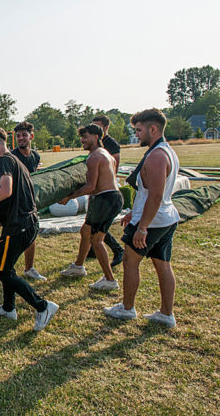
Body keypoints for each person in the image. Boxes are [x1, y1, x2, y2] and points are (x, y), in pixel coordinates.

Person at [0, 127, 58, 331]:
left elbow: (6, 190)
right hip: (27, 223)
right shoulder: (18, 162)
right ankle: (8, 308)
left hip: (18, 225)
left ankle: (42, 306)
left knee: (3, 272)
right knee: (7, 268)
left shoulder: (5, 160)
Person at [104, 109, 180, 328]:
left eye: (139, 130)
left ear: (152, 129)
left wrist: (143, 226)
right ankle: (166, 313)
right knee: (163, 264)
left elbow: (156, 196)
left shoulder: (156, 156)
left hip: (153, 222)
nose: (137, 134)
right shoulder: (167, 151)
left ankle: (127, 309)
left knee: (130, 262)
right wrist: (133, 212)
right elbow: (151, 194)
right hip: (166, 218)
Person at [59, 124, 123, 291]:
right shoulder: (108, 155)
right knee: (85, 232)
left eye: (85, 137)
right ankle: (79, 266)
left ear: (96, 137)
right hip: (108, 198)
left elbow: (90, 187)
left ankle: (109, 279)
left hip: (105, 199)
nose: (82, 141)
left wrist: (69, 197)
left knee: (96, 240)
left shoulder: (94, 157)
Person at [0, 122, 45, 281]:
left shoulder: (35, 156)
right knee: (7, 238)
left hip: (27, 202)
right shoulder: (11, 157)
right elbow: (5, 188)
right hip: (14, 206)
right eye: (18, 136)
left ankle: (29, 268)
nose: (20, 138)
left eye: (24, 135)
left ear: (31, 136)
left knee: (30, 237)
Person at [87, 115, 125, 267]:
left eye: (98, 126)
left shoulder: (111, 144)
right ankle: (92, 250)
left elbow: (114, 166)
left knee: (99, 226)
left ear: (105, 128)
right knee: (91, 223)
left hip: (106, 192)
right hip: (97, 191)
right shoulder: (95, 145)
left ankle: (117, 249)